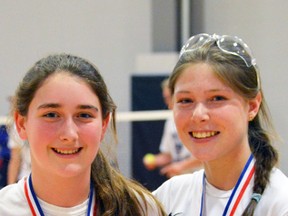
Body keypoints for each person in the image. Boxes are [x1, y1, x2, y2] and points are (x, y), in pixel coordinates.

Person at [0, 54, 166, 216]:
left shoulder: (141, 208)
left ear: (103, 124)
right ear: (21, 124)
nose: (69, 134)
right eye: (51, 115)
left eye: (84, 115)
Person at [153, 33, 288, 215]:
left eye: (217, 98)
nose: (198, 115)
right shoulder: (169, 196)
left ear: (252, 106)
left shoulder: (279, 203)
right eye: (185, 100)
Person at [143, 78, 202, 178]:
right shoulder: (170, 121)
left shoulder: (198, 118)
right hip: (180, 180)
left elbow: (208, 154)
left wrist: (180, 166)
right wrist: (155, 160)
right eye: (165, 98)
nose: (167, 102)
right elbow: (168, 155)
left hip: (199, 178)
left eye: (170, 97)